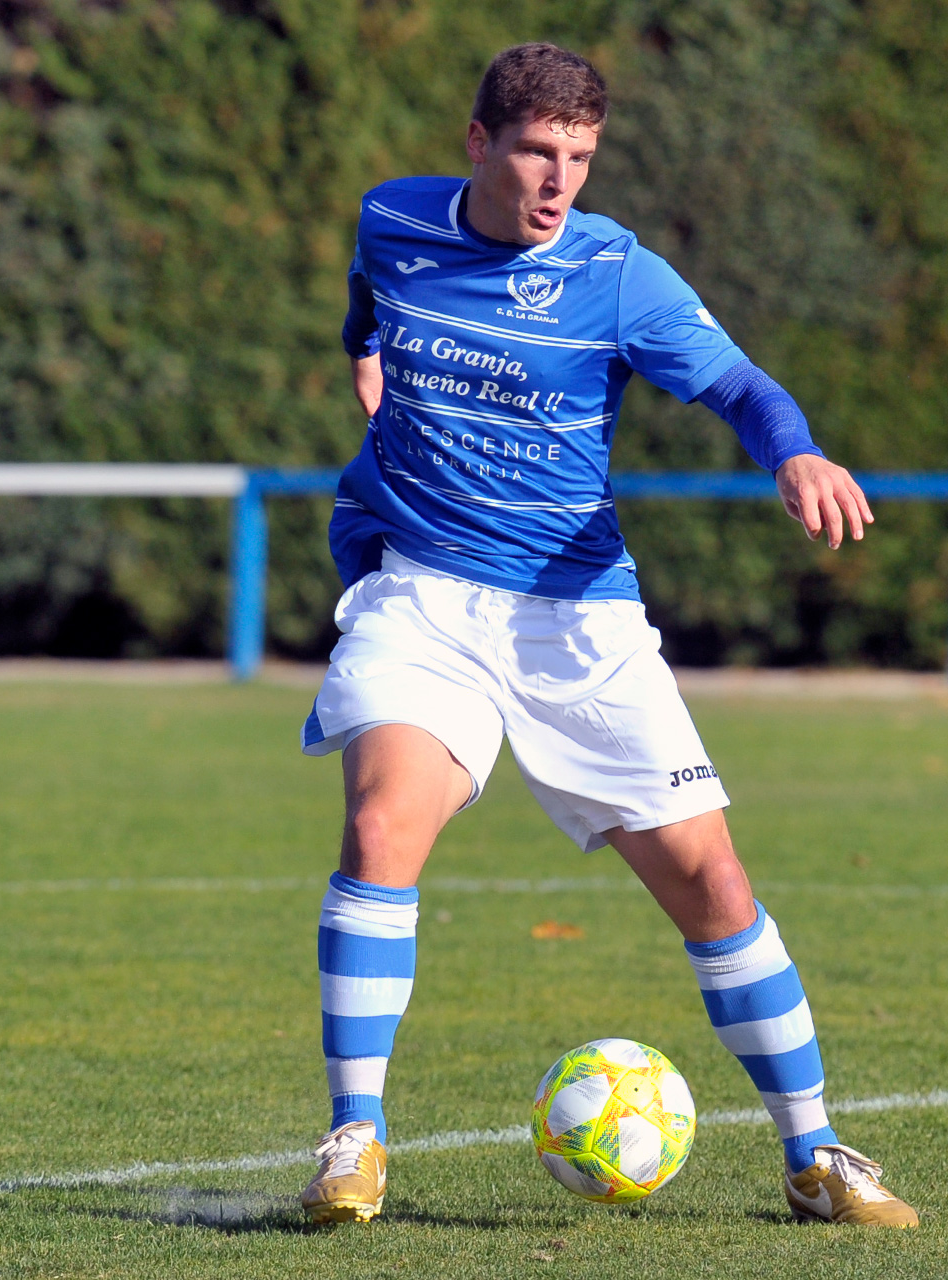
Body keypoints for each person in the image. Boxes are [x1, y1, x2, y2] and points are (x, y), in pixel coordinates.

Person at [294, 44, 916, 1229]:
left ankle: (816, 1152)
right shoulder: (393, 219)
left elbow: (739, 384)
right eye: (536, 149)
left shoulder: (616, 272)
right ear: (478, 142)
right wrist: (367, 363)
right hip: (421, 596)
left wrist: (792, 447)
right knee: (381, 825)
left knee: (715, 882)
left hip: (578, 621)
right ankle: (354, 1139)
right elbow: (365, 305)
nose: (557, 180)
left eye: (579, 157)